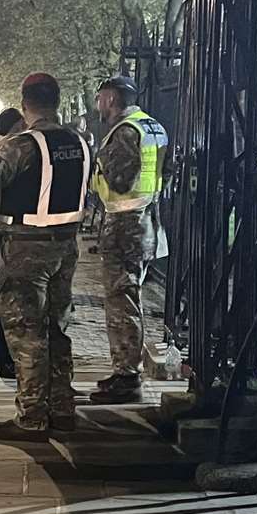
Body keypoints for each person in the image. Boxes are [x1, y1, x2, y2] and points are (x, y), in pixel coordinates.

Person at [0, 72, 90, 443]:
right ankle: (63, 408)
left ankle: (31, 416)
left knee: (26, 332)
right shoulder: (80, 142)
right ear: (58, 100)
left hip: (26, 244)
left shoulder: (22, 145)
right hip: (67, 243)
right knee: (58, 328)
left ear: (25, 102)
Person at [87, 75, 171, 405]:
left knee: (121, 301)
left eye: (99, 98)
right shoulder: (153, 127)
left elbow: (121, 180)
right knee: (130, 296)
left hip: (126, 226)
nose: (97, 105)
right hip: (148, 222)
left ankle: (126, 374)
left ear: (110, 99)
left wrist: (101, 155)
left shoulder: (125, 131)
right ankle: (125, 371)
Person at [0, 107, 26, 380]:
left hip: (10, 233)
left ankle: (9, 357)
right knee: (7, 298)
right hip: (10, 234)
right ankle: (7, 358)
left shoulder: (6, 150)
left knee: (8, 296)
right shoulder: (11, 150)